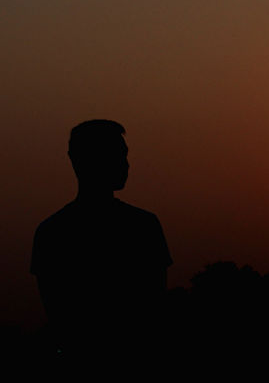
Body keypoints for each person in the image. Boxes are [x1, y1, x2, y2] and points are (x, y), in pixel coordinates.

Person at [31, 120, 173, 359]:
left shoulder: (51, 232)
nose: (126, 164)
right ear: (80, 160)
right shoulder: (142, 226)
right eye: (117, 155)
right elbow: (154, 309)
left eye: (124, 155)